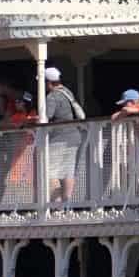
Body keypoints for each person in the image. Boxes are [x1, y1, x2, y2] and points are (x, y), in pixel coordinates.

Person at [44, 67, 83, 203]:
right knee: (67, 170)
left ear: (48, 82)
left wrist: (33, 119)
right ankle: (67, 204)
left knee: (50, 171)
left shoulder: (52, 96)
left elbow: (46, 117)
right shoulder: (67, 92)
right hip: (74, 135)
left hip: (59, 137)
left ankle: (57, 205)